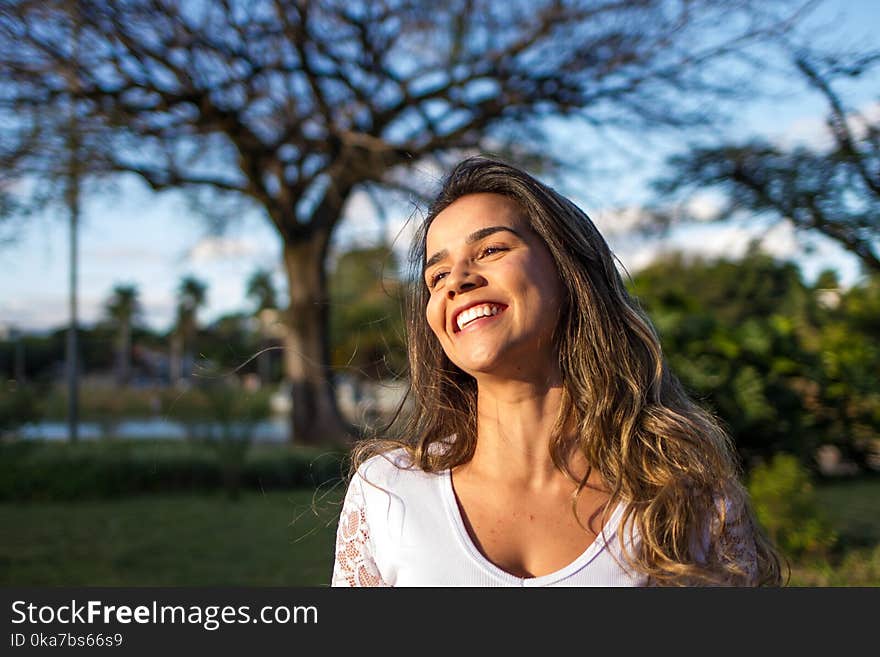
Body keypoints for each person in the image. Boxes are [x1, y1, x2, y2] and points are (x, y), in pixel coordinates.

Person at [331, 156, 783, 587]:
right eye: (437, 275)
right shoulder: (385, 493)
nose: (458, 280)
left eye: (490, 249)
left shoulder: (685, 498)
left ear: (569, 273)